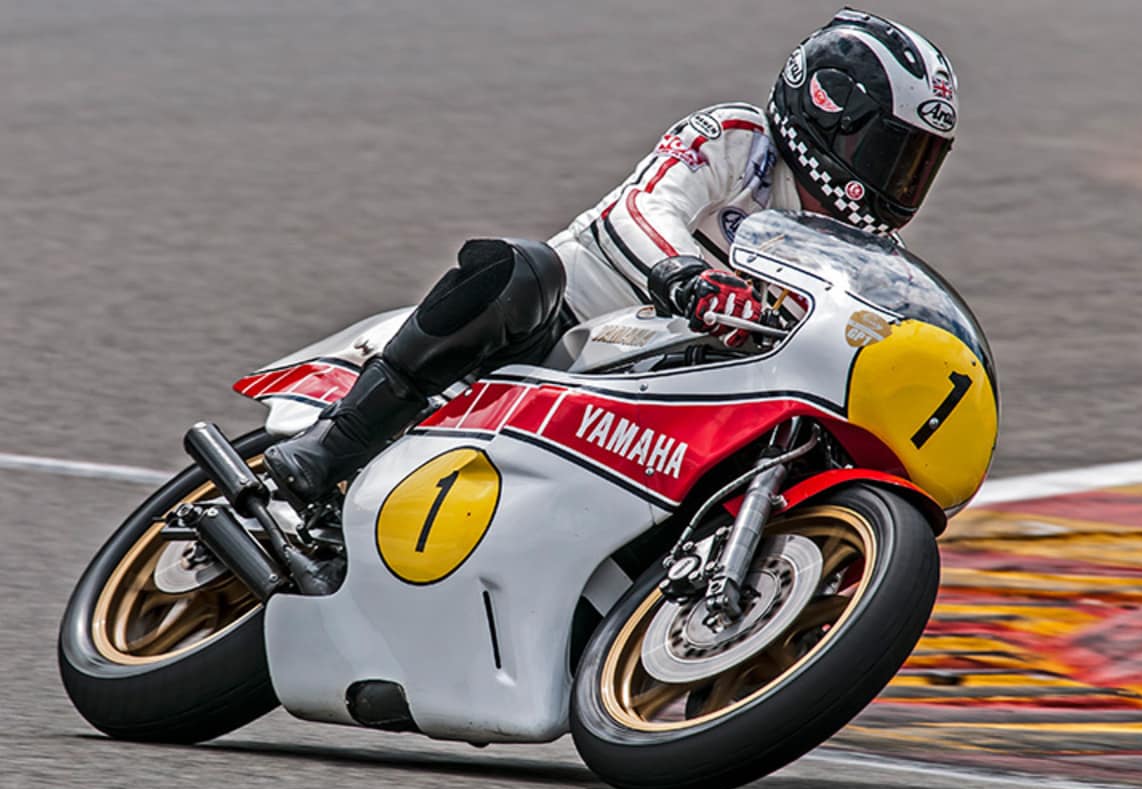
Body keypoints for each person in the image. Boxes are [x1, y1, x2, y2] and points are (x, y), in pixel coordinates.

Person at [264, 7, 960, 505]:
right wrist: (689, 279)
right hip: (564, 332)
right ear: (831, 114)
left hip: (675, 397)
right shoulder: (736, 138)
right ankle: (335, 444)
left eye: (918, 165)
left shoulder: (860, 251)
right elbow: (641, 209)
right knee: (519, 268)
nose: (901, 182)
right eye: (893, 154)